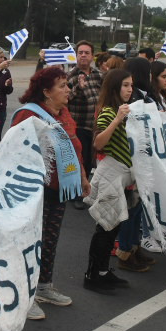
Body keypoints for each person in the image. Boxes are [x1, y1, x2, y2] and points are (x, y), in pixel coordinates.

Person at [11, 66, 90, 321]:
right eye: (62, 86)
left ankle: (44, 286)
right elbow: (13, 153)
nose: (68, 90)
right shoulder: (28, 116)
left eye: (68, 85)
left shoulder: (63, 112)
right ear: (46, 92)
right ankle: (24, 295)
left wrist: (82, 177)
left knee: (50, 238)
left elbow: (74, 147)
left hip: (60, 188)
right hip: (35, 191)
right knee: (31, 243)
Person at [84, 69, 149, 294]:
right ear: (114, 88)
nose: (130, 89)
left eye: (131, 85)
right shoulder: (108, 113)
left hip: (121, 176)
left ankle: (102, 272)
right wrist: (117, 119)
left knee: (113, 227)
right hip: (111, 174)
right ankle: (92, 275)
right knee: (105, 227)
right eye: (125, 85)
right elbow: (98, 143)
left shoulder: (125, 110)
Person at [66, 40, 103, 210]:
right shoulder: (70, 76)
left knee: (89, 160)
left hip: (94, 125)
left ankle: (84, 190)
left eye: (86, 53)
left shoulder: (97, 74)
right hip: (77, 125)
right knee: (78, 161)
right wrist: (78, 89)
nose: (83, 55)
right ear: (76, 55)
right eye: (80, 52)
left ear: (92, 56)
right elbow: (66, 99)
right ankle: (75, 194)